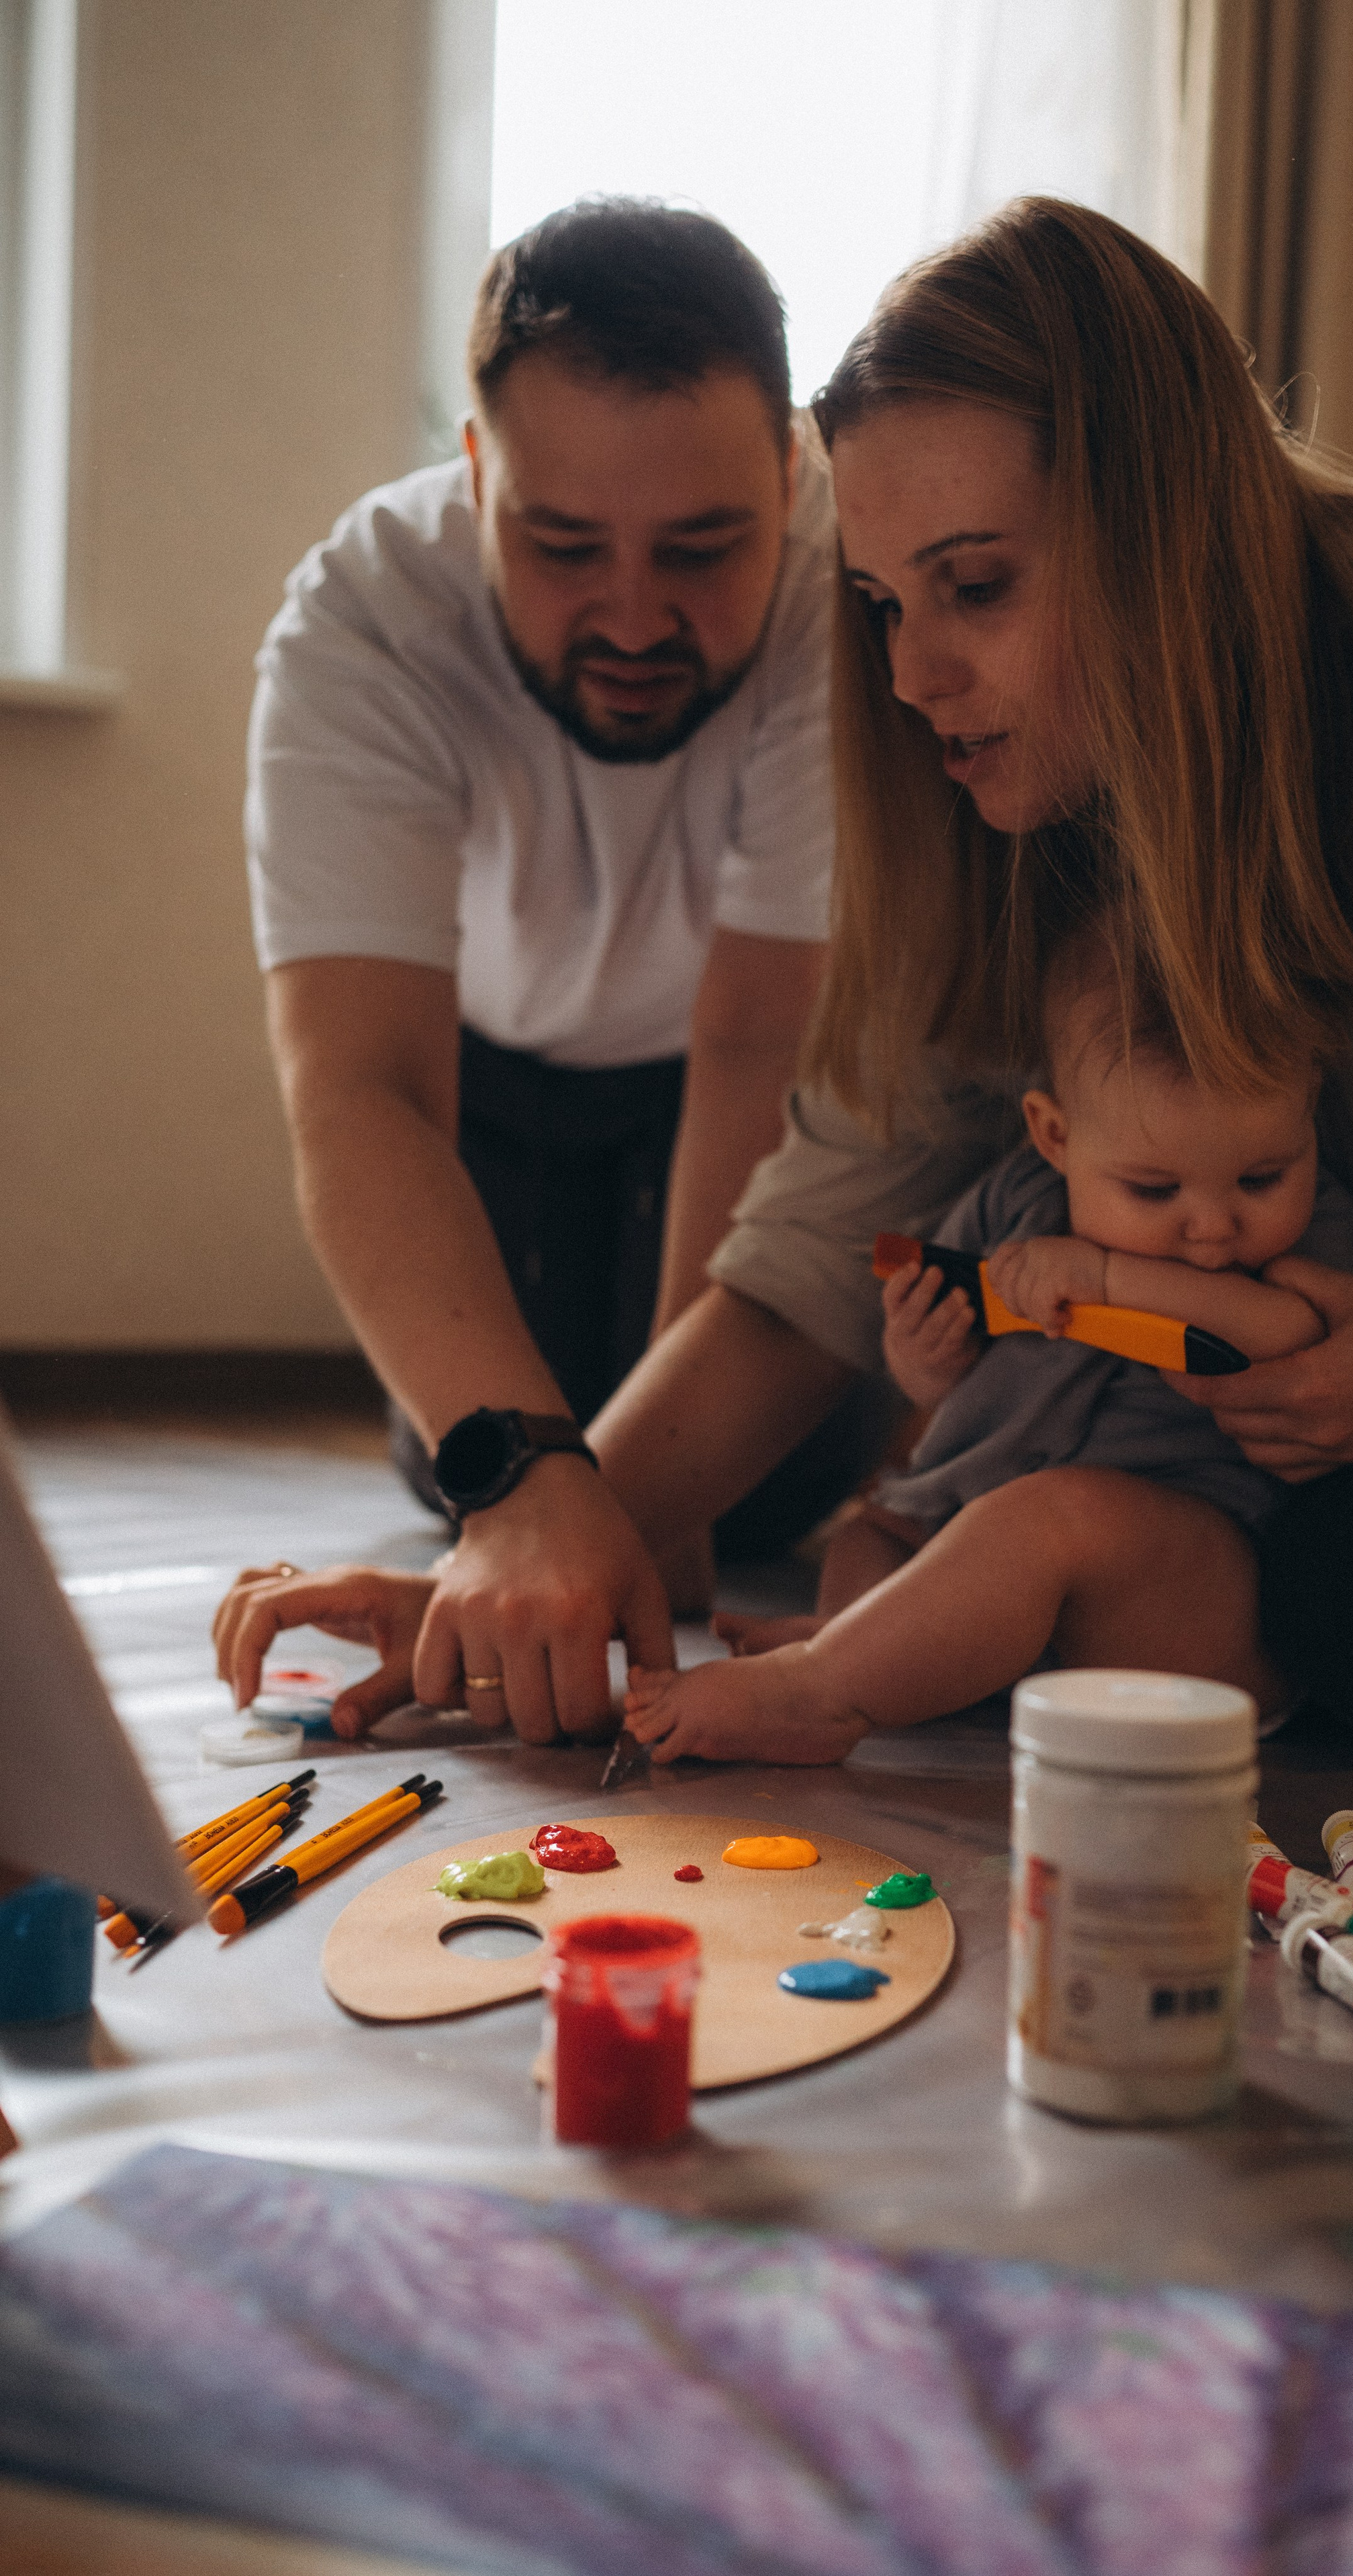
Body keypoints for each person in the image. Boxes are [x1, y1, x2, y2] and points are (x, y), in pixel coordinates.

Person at [228, 197, 1353, 1763]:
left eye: (976, 588)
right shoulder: (1014, 798)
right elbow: (816, 1240)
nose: (910, 673)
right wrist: (539, 1539)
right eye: (878, 604)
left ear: (1158, 539)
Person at [244, 199, 851, 1746]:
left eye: (703, 547)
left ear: (788, 476)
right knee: (460, 1450)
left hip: (724, 1078)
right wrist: (519, 1483)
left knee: (765, 1470)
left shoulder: (847, 586)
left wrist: (650, 1509)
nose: (634, 616)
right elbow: (363, 1082)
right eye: (563, 545)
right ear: (474, 474)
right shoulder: (362, 614)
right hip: (489, 1071)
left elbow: (758, 1028)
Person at [618, 926, 1353, 1763]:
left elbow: (1291, 1336)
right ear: (1055, 1136)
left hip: (1185, 1599)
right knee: (878, 1530)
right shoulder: (1016, 1203)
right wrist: (922, 1356)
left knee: (1049, 1516)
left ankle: (819, 1692)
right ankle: (861, 1646)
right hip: (984, 1525)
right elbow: (942, 1371)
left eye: (1263, 1179)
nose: (1213, 1226)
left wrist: (1108, 1277)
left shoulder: (1315, 1230)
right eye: (1153, 1189)